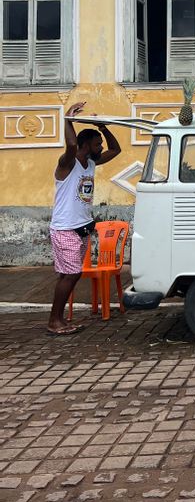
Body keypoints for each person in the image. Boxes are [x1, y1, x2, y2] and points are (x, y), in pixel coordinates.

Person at [47, 102, 121, 335]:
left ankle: (58, 319)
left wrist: (103, 128)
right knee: (71, 274)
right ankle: (54, 321)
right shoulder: (67, 164)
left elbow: (116, 150)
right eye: (97, 142)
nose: (101, 146)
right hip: (65, 228)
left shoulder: (90, 163)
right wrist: (68, 119)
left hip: (82, 227)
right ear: (86, 144)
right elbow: (70, 144)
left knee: (71, 273)